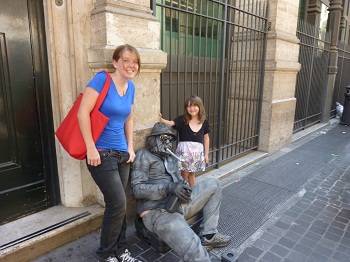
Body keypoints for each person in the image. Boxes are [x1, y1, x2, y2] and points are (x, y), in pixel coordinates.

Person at [131, 122, 231, 262]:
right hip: (158, 211)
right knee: (194, 248)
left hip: (179, 203)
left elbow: (178, 180)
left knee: (213, 184)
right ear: (153, 138)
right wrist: (169, 187)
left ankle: (209, 235)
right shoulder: (144, 155)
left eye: (171, 139)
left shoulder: (171, 156)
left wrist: (184, 188)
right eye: (164, 139)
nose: (168, 143)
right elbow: (137, 190)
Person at [77, 44, 141, 262]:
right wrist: (90, 147)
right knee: (118, 203)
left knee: (120, 204)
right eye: (126, 60)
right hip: (101, 153)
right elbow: (82, 113)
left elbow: (129, 118)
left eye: (134, 62)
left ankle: (121, 250)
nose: (131, 65)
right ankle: (106, 254)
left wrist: (130, 146)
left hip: (122, 154)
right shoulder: (101, 80)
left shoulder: (130, 87)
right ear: (115, 62)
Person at [160, 95, 210, 187]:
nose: (192, 108)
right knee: (184, 174)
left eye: (195, 105)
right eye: (189, 106)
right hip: (185, 152)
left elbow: (206, 138)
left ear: (200, 106)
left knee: (192, 174)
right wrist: (161, 119)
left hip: (196, 153)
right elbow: (171, 123)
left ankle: (192, 192)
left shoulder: (204, 122)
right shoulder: (182, 119)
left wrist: (206, 154)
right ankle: (184, 193)